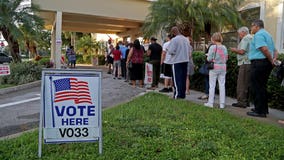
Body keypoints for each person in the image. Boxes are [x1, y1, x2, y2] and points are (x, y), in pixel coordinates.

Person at [246, 19, 278, 118]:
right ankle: (262, 109)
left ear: (257, 26)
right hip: (265, 63)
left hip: (259, 63)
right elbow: (275, 50)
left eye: (252, 26)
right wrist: (273, 59)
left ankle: (259, 111)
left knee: (256, 86)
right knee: (262, 86)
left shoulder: (259, 35)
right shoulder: (268, 35)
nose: (251, 28)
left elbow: (264, 49)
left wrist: (270, 59)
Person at [230, 26, 253, 108]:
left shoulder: (246, 38)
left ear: (243, 32)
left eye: (239, 34)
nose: (239, 36)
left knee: (241, 83)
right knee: (247, 83)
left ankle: (241, 102)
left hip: (245, 62)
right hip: (250, 62)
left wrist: (234, 50)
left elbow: (242, 51)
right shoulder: (251, 37)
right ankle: (246, 101)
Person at [204, 32, 228, 108]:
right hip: (223, 67)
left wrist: (208, 56)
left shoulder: (212, 47)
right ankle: (222, 104)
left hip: (214, 67)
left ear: (213, 39)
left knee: (212, 85)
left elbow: (209, 59)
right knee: (222, 85)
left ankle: (210, 103)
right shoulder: (224, 47)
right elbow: (226, 58)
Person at [166, 26, 191, 99]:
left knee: (177, 79)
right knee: (183, 78)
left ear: (173, 32)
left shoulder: (174, 40)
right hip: (185, 61)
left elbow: (170, 51)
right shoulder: (186, 39)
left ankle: (177, 95)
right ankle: (182, 95)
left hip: (177, 61)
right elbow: (189, 50)